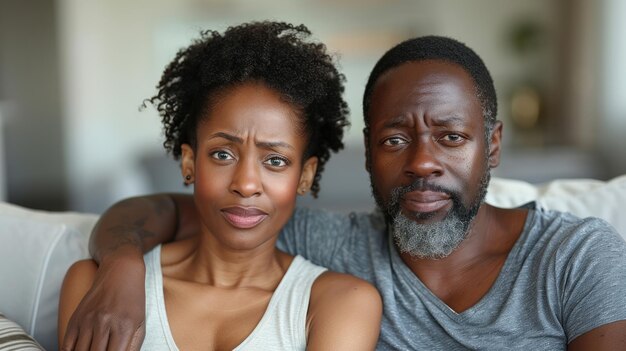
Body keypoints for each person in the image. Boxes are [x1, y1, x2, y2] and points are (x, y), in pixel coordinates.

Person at [64, 35, 626, 350]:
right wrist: (120, 264)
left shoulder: (575, 257)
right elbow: (160, 210)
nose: (423, 162)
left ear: (493, 146)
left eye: (451, 137)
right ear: (367, 154)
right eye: (395, 139)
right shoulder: (326, 246)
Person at [57, 21, 382, 351]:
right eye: (223, 154)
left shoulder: (340, 303)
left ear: (305, 177)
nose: (246, 184)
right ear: (189, 163)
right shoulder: (95, 285)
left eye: (275, 161)